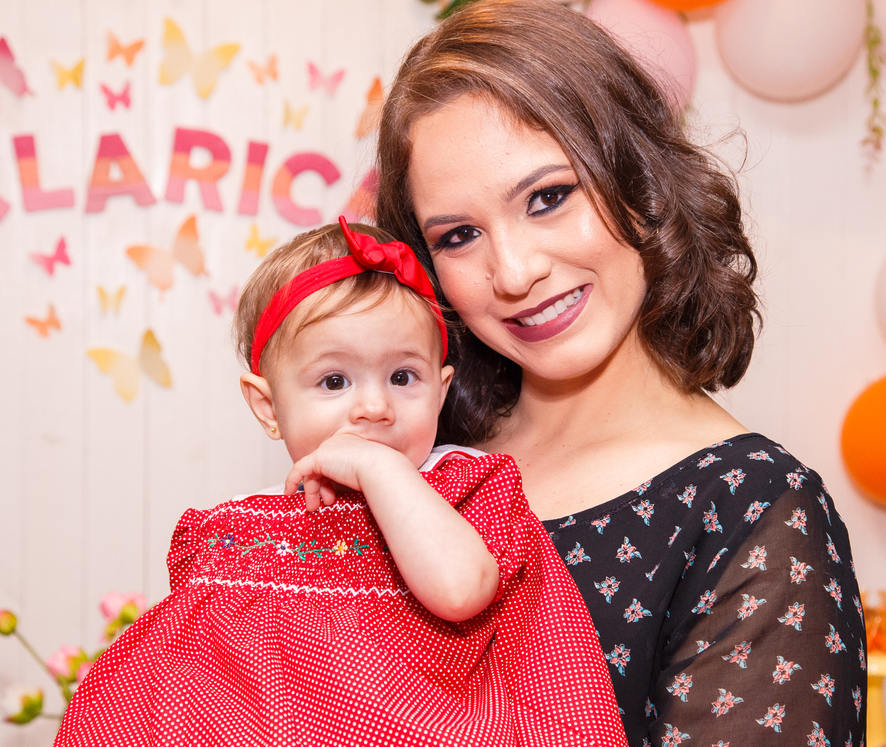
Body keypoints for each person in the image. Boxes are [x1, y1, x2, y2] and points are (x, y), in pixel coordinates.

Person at [374, 0, 867, 747]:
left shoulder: (752, 509)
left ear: (641, 185)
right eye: (460, 235)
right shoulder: (419, 464)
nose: (514, 272)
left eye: (548, 198)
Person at [53, 219, 626, 747]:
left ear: (441, 390)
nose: (374, 406)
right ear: (268, 407)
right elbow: (184, 676)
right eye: (334, 381)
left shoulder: (458, 485)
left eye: (403, 376)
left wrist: (380, 471)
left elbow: (459, 591)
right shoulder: (239, 532)